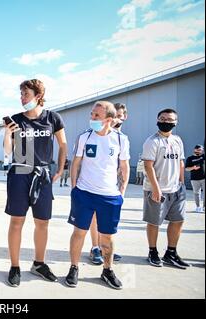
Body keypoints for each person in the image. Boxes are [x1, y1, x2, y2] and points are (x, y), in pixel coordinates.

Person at [3, 79, 67, 287]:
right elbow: (6, 151)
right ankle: (14, 266)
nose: (22, 98)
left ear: (38, 96)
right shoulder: (16, 119)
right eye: (21, 94)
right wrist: (7, 134)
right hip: (20, 173)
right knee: (17, 222)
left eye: (25, 94)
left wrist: (59, 169)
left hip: (42, 175)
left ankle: (39, 264)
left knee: (42, 223)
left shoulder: (53, 118)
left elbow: (63, 144)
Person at [65, 101, 130, 290]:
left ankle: (107, 270)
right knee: (79, 233)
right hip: (84, 193)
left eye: (96, 116)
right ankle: (74, 268)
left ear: (109, 120)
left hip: (109, 196)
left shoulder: (120, 140)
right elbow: (76, 163)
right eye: (92, 114)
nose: (92, 118)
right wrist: (75, 188)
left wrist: (122, 192)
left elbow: (124, 167)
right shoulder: (84, 137)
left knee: (107, 238)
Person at [142, 108, 190, 269]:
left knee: (178, 220)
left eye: (169, 120)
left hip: (176, 189)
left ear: (175, 123)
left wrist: (182, 183)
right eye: (162, 119)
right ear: (157, 120)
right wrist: (155, 188)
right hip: (157, 189)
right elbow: (148, 166)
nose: (166, 122)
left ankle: (171, 252)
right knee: (154, 222)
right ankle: (152, 251)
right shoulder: (152, 141)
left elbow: (181, 162)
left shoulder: (177, 140)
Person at [88, 102, 127, 265]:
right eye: (115, 116)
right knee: (95, 217)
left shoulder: (121, 138)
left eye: (120, 116)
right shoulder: (95, 134)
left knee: (109, 219)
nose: (118, 119)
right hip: (96, 182)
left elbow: (123, 164)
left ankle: (106, 247)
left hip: (113, 182)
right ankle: (95, 247)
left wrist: (122, 188)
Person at [185, 144, 205, 213]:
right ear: (194, 150)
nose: (199, 151)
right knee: (196, 193)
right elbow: (186, 169)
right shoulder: (190, 158)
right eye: (197, 150)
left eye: (200, 150)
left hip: (204, 178)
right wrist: (193, 167)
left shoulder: (203, 156)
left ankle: (204, 207)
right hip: (194, 179)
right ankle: (198, 207)